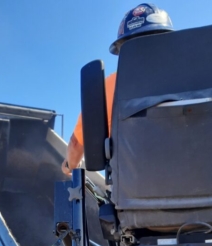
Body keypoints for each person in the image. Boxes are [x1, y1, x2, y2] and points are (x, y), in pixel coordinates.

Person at [61, 3, 174, 176]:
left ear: (123, 49)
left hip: (134, 196)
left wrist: (69, 165)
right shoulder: (198, 75)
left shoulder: (109, 86)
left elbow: (77, 144)